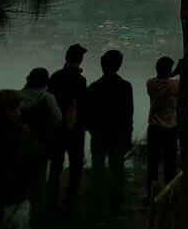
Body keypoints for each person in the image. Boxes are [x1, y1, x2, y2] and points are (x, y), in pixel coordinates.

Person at [85, 50, 133, 216]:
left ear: (102, 65)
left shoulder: (93, 88)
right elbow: (128, 115)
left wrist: (93, 131)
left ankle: (97, 207)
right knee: (117, 170)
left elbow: (86, 115)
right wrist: (127, 136)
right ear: (119, 65)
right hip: (118, 136)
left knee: (98, 170)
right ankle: (115, 207)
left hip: (99, 136)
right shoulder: (125, 87)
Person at [47, 43, 88, 213]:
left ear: (66, 58)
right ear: (80, 60)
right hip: (75, 130)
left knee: (56, 166)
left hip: (56, 129)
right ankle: (71, 204)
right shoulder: (80, 80)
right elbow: (82, 106)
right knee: (75, 166)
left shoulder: (55, 77)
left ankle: (51, 202)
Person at [20, 68, 62, 227]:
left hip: (19, 147)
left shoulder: (18, 96)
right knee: (38, 185)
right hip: (41, 146)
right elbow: (58, 120)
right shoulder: (47, 98)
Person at [0, 90, 36, 229]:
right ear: (8, 110)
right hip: (13, 200)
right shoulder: (15, 136)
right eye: (17, 109)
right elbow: (36, 154)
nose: (19, 113)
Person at [146, 57, 183, 199]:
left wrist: (172, 73)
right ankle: (168, 194)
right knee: (170, 164)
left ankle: (150, 193)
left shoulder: (150, 83)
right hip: (170, 129)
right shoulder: (174, 85)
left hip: (154, 128)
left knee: (152, 163)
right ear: (169, 70)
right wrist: (178, 73)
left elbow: (162, 81)